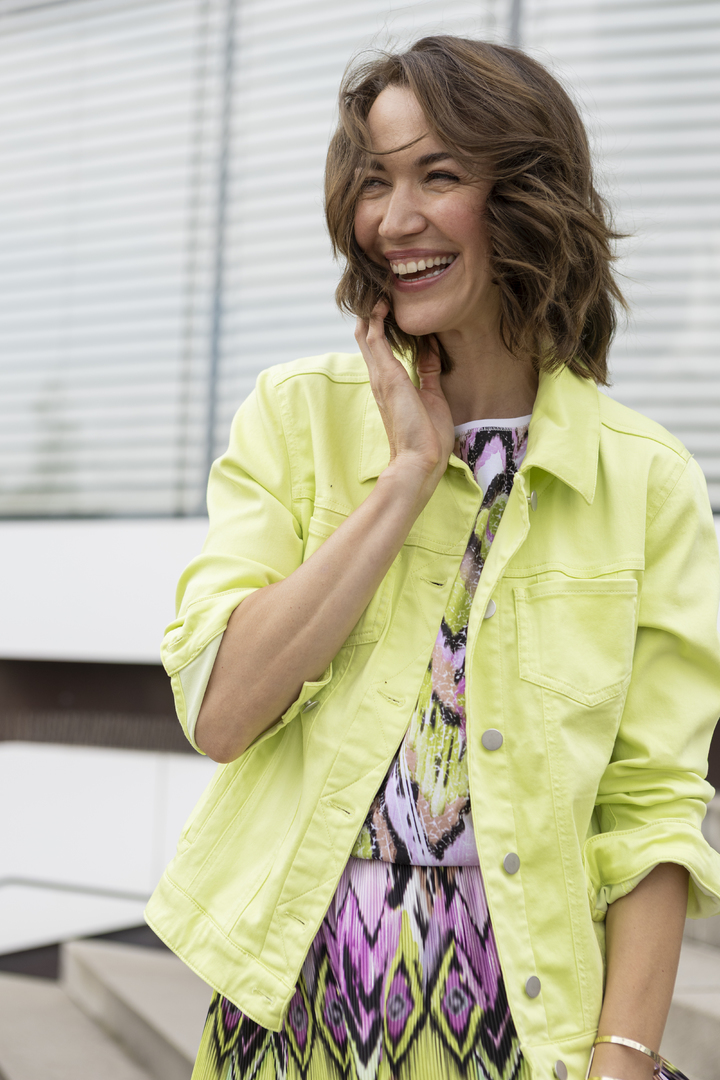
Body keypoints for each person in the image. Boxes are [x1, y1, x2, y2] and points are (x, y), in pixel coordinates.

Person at [145, 36, 720, 1080]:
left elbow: (651, 810)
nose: (393, 219)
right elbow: (222, 711)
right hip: (293, 1007)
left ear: (529, 199)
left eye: (437, 175)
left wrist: (625, 1055)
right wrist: (407, 477)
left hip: (518, 1020)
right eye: (375, 181)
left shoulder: (649, 483)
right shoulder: (297, 418)